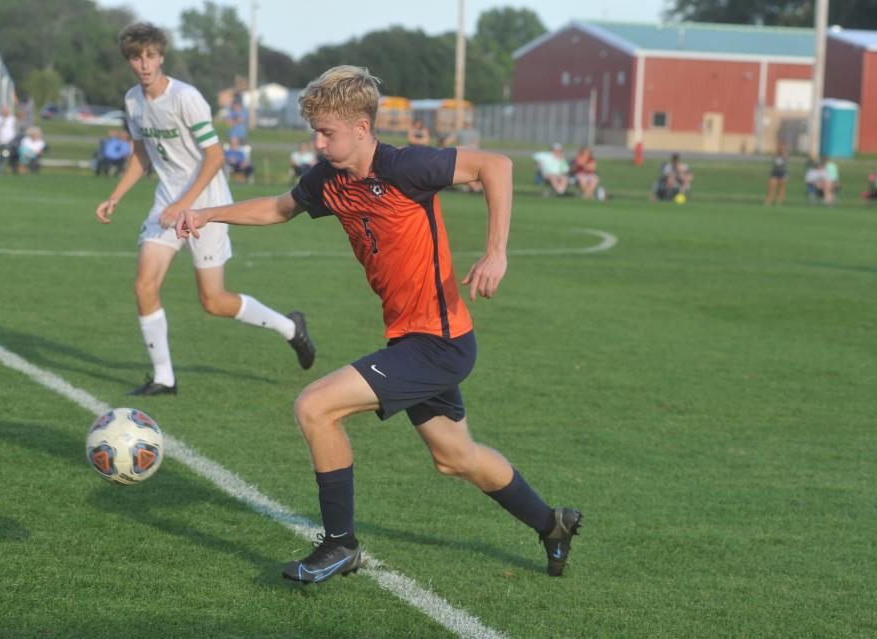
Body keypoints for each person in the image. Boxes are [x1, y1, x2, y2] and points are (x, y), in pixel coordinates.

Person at [175, 65, 582, 583]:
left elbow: (495, 166)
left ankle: (340, 545)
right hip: (411, 338)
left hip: (438, 342)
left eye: (328, 132)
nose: (318, 143)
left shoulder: (406, 166)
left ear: (362, 128)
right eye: (316, 132)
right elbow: (280, 209)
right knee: (455, 458)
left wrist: (496, 252)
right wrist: (209, 214)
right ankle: (553, 523)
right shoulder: (328, 180)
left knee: (315, 407)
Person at [94, 22, 315, 396]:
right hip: (167, 204)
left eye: (150, 56)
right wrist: (116, 195)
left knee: (213, 301)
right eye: (136, 57)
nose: (144, 64)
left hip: (207, 204)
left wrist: (185, 203)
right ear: (129, 61)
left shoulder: (186, 97)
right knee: (144, 285)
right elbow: (142, 152)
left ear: (161, 56)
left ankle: (290, 328)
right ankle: (164, 377)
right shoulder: (133, 100)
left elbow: (215, 156)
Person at [0, 104, 18, 174]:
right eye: (3, 111)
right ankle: (1, 169)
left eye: (6, 111)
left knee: (9, 153)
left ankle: (10, 168)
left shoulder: (13, 119)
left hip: (10, 141)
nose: (4, 112)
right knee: (0, 154)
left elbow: (16, 131)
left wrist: (11, 140)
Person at [765, 141, 789, 206]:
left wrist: (783, 150)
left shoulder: (785, 153)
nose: (780, 147)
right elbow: (773, 157)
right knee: (771, 187)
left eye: (782, 146)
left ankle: (779, 202)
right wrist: (777, 150)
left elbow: (785, 157)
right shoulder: (776, 153)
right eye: (779, 146)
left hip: (782, 172)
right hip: (774, 173)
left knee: (781, 189)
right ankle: (769, 201)